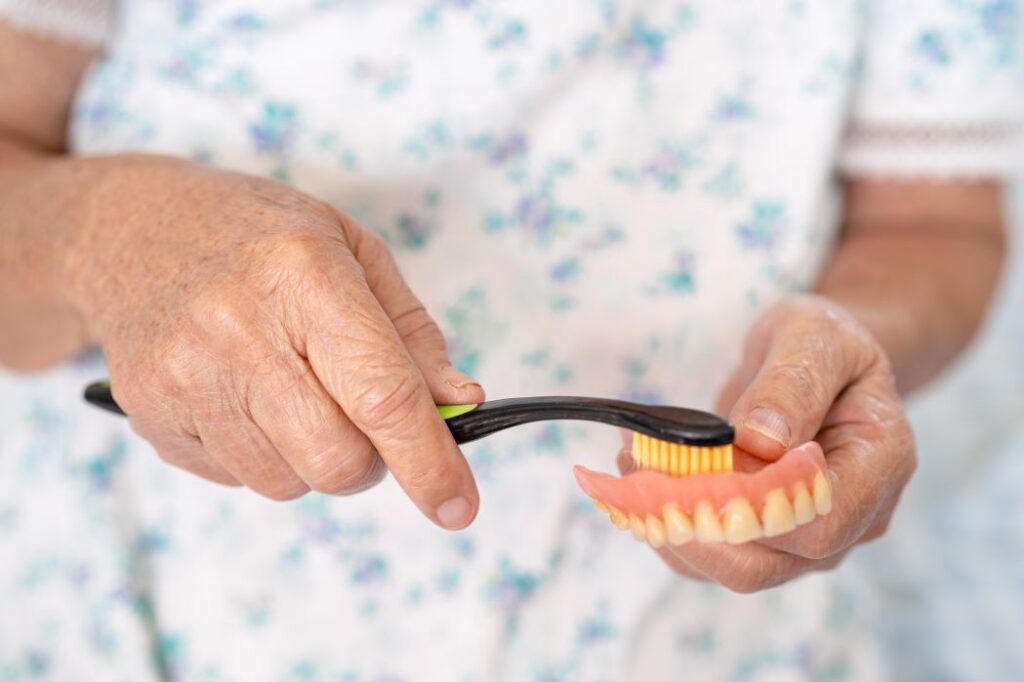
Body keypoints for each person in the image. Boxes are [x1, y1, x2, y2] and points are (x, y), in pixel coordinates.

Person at [0, 1, 1019, 679]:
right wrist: (107, 234)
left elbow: (933, 226)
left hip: (696, 642)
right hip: (149, 613)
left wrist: (849, 339)